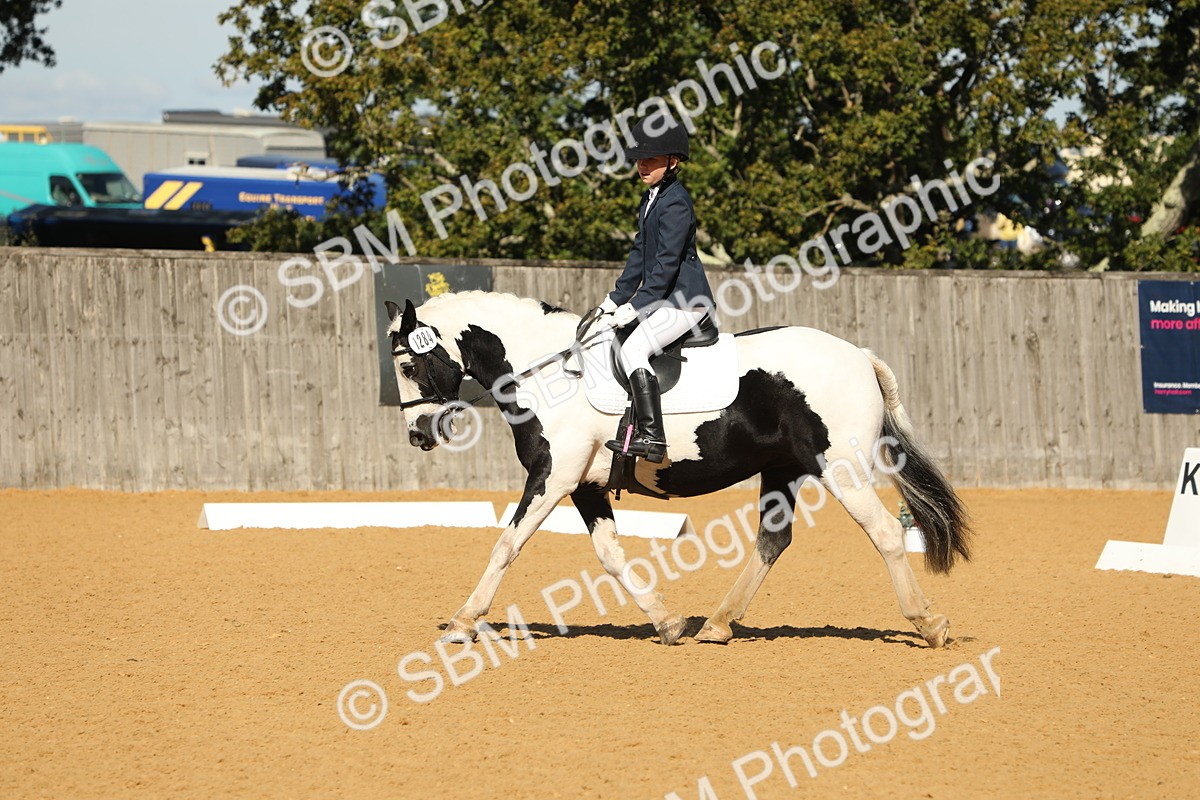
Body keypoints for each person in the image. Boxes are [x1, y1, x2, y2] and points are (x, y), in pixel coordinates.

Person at [599, 116, 715, 463]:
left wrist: (636, 307)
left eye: (650, 159)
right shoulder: (651, 199)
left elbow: (665, 264)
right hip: (664, 301)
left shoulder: (676, 201)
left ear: (672, 162)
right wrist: (614, 298)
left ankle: (652, 437)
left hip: (684, 302)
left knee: (633, 351)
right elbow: (639, 255)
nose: (642, 165)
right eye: (639, 159)